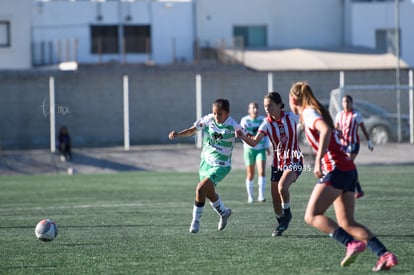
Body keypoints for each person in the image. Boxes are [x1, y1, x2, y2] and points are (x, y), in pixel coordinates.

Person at [288, 81, 398, 272]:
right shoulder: (313, 112)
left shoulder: (308, 112)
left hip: (336, 169)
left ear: (293, 99)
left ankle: (350, 244)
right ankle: (385, 255)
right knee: (347, 223)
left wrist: (318, 161)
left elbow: (325, 130)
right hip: (348, 169)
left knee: (311, 215)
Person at [168, 98, 241, 234]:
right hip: (205, 163)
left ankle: (195, 221)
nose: (216, 116)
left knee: (200, 188)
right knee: (206, 192)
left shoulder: (233, 126)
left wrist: (244, 136)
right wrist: (178, 134)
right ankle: (224, 212)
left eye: (220, 114)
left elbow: (246, 135)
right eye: (215, 113)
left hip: (221, 166)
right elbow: (192, 130)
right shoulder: (208, 120)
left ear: (227, 113)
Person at [237, 92, 303, 237]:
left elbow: (309, 121)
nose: (267, 109)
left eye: (270, 106)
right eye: (266, 106)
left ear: (279, 105)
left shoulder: (292, 117)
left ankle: (287, 215)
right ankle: (281, 223)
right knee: (275, 198)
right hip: (277, 164)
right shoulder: (266, 123)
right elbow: (254, 142)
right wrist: (242, 136)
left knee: (282, 187)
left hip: (294, 160)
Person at [335, 95, 374, 198]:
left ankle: (349, 188)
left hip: (353, 144)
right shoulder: (339, 115)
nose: (346, 104)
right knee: (347, 165)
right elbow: (336, 129)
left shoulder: (356, 115)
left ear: (351, 103)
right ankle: (358, 189)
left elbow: (363, 129)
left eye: (348, 102)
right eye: (344, 102)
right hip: (343, 145)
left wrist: (369, 141)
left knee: (348, 162)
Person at [240, 102, 270, 203]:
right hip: (249, 150)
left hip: (260, 148)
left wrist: (267, 147)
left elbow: (266, 135)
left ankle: (261, 196)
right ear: (249, 110)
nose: (255, 110)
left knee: (261, 171)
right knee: (250, 174)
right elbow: (243, 135)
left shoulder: (263, 120)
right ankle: (251, 196)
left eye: (256, 108)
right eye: (253, 108)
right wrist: (249, 143)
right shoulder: (245, 120)